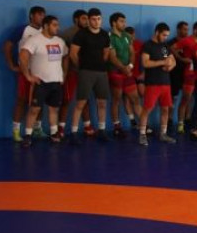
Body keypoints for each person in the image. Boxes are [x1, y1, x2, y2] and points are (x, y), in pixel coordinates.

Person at [18, 15, 68, 147]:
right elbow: (23, 56)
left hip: (56, 81)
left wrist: (64, 74)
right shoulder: (34, 40)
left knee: (54, 109)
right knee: (34, 109)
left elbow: (65, 57)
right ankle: (28, 135)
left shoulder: (60, 41)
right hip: (40, 82)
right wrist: (28, 75)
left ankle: (54, 133)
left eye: (57, 25)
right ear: (46, 26)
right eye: (54, 25)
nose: (57, 28)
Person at [3, 6, 46, 142]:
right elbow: (7, 46)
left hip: (41, 72)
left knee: (39, 101)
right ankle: (16, 131)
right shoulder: (23, 30)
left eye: (43, 15)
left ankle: (37, 128)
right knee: (21, 100)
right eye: (39, 14)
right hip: (25, 71)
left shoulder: (45, 31)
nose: (42, 17)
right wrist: (11, 64)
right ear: (32, 15)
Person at [69, 8, 111, 144]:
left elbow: (106, 53)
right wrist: (82, 67)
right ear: (88, 20)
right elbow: (73, 54)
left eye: (99, 19)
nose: (96, 21)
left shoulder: (104, 35)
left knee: (102, 103)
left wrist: (100, 64)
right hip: (86, 71)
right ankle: (74, 132)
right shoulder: (81, 34)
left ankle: (102, 130)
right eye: (93, 19)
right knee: (80, 103)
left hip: (101, 72)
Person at [138, 23, 177, 146]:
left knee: (165, 109)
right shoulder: (147, 45)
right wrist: (162, 62)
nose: (165, 37)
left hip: (165, 83)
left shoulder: (164, 46)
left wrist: (170, 66)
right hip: (152, 83)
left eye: (167, 35)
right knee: (147, 109)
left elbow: (172, 61)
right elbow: (145, 63)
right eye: (164, 35)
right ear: (157, 33)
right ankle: (142, 134)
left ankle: (163, 133)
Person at [107, 12, 142, 139]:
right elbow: (112, 57)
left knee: (135, 99)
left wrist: (130, 66)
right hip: (116, 72)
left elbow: (132, 53)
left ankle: (144, 126)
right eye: (121, 21)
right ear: (114, 23)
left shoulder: (127, 36)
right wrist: (123, 68)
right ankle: (117, 127)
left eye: (124, 21)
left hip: (128, 72)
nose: (124, 24)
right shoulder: (109, 37)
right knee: (116, 100)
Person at [58, 9, 91, 137]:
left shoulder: (90, 33)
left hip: (86, 73)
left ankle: (87, 126)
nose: (87, 21)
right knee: (66, 100)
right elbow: (63, 56)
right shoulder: (67, 34)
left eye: (87, 18)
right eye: (84, 18)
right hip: (71, 72)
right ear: (76, 19)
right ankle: (61, 128)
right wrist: (63, 72)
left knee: (85, 100)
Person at [172, 21, 197, 134]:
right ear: (195, 30)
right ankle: (179, 123)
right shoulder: (185, 40)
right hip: (183, 74)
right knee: (184, 99)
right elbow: (170, 49)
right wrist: (180, 59)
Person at [124, 26, 146, 131]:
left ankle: (144, 123)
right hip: (128, 75)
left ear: (134, 35)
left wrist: (144, 72)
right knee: (127, 99)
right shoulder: (123, 45)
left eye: (131, 36)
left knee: (141, 94)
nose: (130, 38)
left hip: (139, 75)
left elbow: (145, 58)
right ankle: (134, 122)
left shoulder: (140, 44)